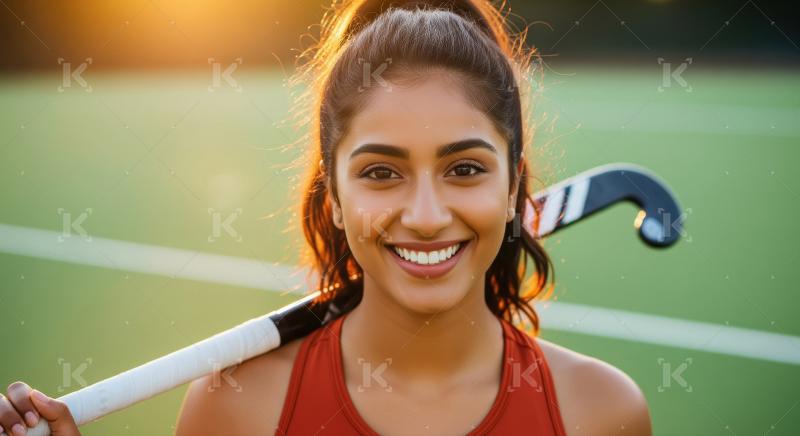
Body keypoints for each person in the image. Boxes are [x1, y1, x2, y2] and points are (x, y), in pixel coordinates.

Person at [0, 1, 652, 435]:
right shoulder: (237, 409)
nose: (425, 216)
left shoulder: (601, 412)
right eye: (380, 172)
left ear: (515, 187)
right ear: (333, 198)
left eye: (464, 168)